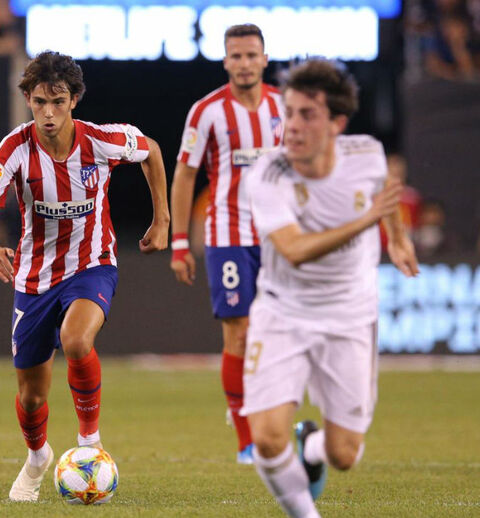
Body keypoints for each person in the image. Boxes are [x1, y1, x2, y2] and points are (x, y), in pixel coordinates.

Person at [0, 51, 169, 502]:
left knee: (77, 340)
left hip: (92, 263)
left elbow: (151, 150)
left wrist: (163, 219)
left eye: (58, 101)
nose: (48, 112)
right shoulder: (14, 149)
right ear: (27, 99)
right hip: (34, 276)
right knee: (32, 397)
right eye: (40, 102)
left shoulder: (101, 140)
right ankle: (38, 456)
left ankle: (89, 442)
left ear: (74, 100)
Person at [243, 59, 418, 518]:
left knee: (345, 454)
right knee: (265, 438)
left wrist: (397, 238)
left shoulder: (367, 155)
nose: (292, 127)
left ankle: (313, 445)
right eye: (289, 113)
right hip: (283, 313)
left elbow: (386, 191)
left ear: (337, 124)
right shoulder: (267, 174)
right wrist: (367, 221)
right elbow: (296, 249)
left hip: (349, 317)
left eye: (307, 115)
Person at [168, 23, 284, 464]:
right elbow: (185, 174)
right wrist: (180, 243)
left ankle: (261, 412)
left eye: (251, 55)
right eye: (236, 56)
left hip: (278, 237)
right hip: (228, 236)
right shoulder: (207, 112)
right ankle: (245, 439)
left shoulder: (283, 108)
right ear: (225, 61)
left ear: (264, 59)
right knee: (237, 332)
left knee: (275, 335)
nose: (244, 63)